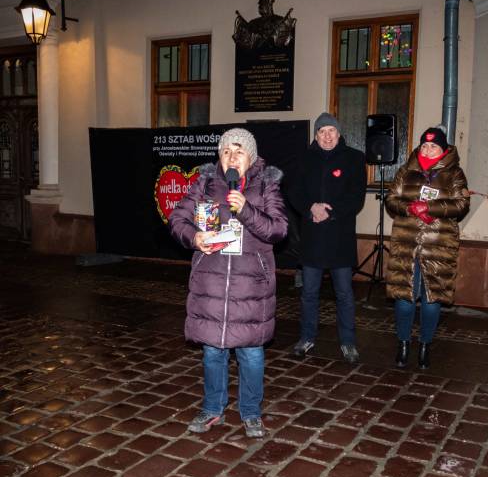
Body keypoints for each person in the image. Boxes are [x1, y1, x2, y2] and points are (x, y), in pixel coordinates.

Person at [169, 128, 288, 437]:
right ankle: (212, 409)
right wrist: (195, 237)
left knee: (251, 353)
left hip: (251, 288)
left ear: (251, 157)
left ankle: (250, 412)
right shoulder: (205, 183)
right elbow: (177, 220)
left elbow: (277, 230)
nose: (232, 157)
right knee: (212, 352)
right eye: (226, 151)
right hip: (211, 284)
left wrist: (246, 210)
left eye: (239, 151)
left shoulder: (267, 185)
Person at [385, 125, 470, 369]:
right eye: (425, 145)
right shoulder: (406, 170)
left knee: (432, 299)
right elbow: (392, 199)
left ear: (443, 150)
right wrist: (410, 208)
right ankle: (403, 344)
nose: (428, 149)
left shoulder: (454, 173)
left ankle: (425, 345)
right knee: (404, 298)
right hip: (406, 243)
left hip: (438, 245)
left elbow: (461, 204)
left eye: (433, 145)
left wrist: (430, 209)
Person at [289, 113, 367, 364]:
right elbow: (293, 190)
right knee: (309, 293)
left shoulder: (355, 159)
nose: (327, 136)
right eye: (322, 131)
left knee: (344, 293)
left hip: (339, 238)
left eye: (331, 131)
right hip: (312, 237)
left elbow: (356, 197)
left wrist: (329, 211)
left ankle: (348, 342)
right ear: (316, 135)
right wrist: (310, 207)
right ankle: (307, 337)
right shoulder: (303, 158)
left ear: (339, 133)